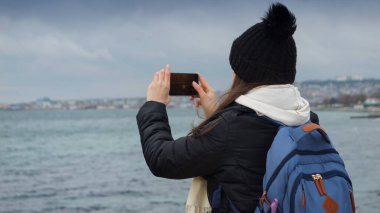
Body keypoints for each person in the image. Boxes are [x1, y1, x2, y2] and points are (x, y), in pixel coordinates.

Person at [136, 3, 317, 212]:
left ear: (243, 73)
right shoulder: (308, 119)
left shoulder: (230, 130)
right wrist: (217, 113)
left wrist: (154, 105)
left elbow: (162, 159)